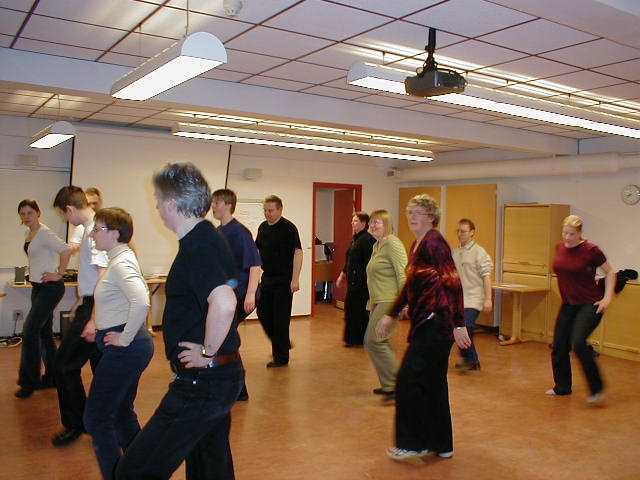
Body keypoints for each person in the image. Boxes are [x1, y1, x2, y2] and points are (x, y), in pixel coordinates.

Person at [115, 162, 243, 480]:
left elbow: (225, 302)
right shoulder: (203, 237)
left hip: (203, 384)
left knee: (134, 471)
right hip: (216, 380)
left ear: (172, 203)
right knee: (209, 466)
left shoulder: (199, 244)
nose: (157, 207)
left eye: (158, 200)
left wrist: (207, 351)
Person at [377, 194, 471, 464]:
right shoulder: (418, 244)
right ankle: (442, 444)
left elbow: (453, 282)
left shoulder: (434, 242)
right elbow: (410, 285)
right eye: (410, 212)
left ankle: (413, 444)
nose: (412, 217)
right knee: (433, 385)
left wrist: (459, 324)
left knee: (409, 383)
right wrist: (391, 314)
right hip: (426, 323)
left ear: (431, 216)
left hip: (436, 324)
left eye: (418, 212)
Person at [82, 207, 153, 479]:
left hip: (127, 348)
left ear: (115, 233)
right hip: (129, 346)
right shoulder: (118, 259)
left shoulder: (121, 263)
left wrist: (124, 337)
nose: (93, 235)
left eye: (97, 229)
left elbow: (142, 301)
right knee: (122, 411)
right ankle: (142, 471)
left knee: (96, 418)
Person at [51, 186, 109, 446]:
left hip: (96, 307)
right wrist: (80, 301)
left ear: (70, 209)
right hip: (90, 303)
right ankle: (96, 419)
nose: (67, 220)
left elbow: (103, 276)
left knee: (63, 366)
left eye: (64, 215)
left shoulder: (94, 232)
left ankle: (76, 423)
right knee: (100, 367)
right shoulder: (90, 229)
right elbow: (92, 275)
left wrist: (94, 318)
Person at [547, 215, 615, 404]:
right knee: (559, 346)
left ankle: (597, 388)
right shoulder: (560, 248)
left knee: (577, 343)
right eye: (565, 233)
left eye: (572, 234)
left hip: (589, 304)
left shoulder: (591, 250)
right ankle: (562, 387)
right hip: (568, 304)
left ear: (580, 233)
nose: (567, 238)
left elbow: (611, 271)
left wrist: (607, 297)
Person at [14, 199, 72, 399]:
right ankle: (54, 377)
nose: (26, 217)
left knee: (30, 330)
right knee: (44, 332)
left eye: (30, 213)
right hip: (38, 287)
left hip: (50, 288)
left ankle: (29, 382)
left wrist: (59, 273)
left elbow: (66, 250)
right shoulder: (29, 233)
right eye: (23, 213)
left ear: (38, 213)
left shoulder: (45, 232)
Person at [212, 188, 262, 400]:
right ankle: (235, 387)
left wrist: (250, 294)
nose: (213, 207)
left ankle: (238, 388)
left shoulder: (240, 232)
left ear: (228, 205)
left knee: (225, 336)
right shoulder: (219, 231)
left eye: (217, 203)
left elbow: (255, 265)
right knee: (224, 336)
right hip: (227, 295)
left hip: (241, 294)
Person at [255, 195, 302, 368]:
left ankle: (281, 357)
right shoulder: (263, 228)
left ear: (280, 209)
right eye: (265, 210)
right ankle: (283, 343)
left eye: (271, 210)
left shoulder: (289, 228)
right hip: (267, 278)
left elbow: (298, 253)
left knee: (280, 319)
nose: (268, 214)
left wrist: (295, 279)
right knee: (262, 312)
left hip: (284, 280)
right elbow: (256, 251)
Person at [365, 209, 407, 402]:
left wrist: (403, 303)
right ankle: (391, 384)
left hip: (390, 301)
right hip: (378, 300)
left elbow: (402, 274)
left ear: (387, 224)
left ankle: (396, 385)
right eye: (371, 222)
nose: (372, 225)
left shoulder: (393, 244)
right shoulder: (377, 245)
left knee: (374, 341)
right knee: (380, 341)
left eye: (377, 222)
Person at [452, 218, 493, 371]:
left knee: (467, 325)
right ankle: (469, 359)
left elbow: (486, 276)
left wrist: (488, 299)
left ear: (472, 233)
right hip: (458, 299)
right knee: (458, 327)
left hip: (474, 298)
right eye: (458, 231)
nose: (460, 234)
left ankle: (471, 360)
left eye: (463, 231)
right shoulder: (455, 252)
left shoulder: (479, 252)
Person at [336, 212, 376, 347]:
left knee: (356, 309)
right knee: (354, 309)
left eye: (355, 221)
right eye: (352, 221)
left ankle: (357, 338)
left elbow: (369, 263)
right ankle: (357, 337)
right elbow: (350, 260)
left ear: (364, 223)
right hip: (353, 281)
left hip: (361, 282)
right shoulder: (355, 239)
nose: (352, 223)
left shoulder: (367, 240)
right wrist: (342, 274)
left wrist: (368, 280)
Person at [68, 187, 104, 251]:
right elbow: (73, 246)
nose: (92, 206)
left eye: (95, 203)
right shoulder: (81, 227)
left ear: (100, 202)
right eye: (89, 204)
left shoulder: (109, 221)